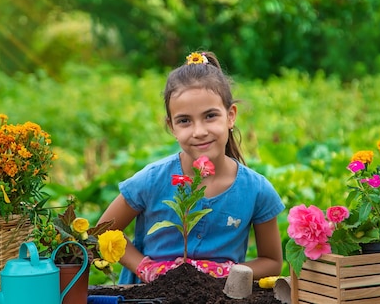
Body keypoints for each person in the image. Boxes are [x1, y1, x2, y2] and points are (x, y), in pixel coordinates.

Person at [97, 51, 285, 284]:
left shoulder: (256, 190)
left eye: (210, 116)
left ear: (230, 116)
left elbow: (272, 261)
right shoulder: (152, 179)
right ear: (172, 127)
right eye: (185, 121)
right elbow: (103, 231)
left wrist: (225, 274)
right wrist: (145, 268)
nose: (199, 131)